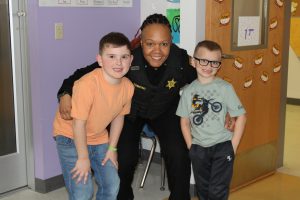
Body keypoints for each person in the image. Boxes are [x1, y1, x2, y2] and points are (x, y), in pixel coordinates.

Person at [57, 13, 196, 200]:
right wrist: (65, 94)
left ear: (171, 42)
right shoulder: (126, 58)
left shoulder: (180, 60)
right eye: (150, 43)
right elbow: (81, 75)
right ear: (140, 43)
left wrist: (223, 111)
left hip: (165, 111)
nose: (157, 50)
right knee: (123, 156)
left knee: (179, 153)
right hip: (130, 113)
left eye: (164, 44)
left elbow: (204, 83)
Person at [53, 32, 134, 200]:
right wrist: (83, 158)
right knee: (83, 190)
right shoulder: (86, 84)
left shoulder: (128, 87)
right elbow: (78, 125)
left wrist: (112, 149)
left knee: (112, 184)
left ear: (131, 60)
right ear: (100, 60)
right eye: (111, 56)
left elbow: (119, 117)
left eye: (124, 57)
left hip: (98, 137)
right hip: (70, 137)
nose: (118, 62)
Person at [176, 40, 247, 200]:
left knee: (217, 190)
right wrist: (191, 146)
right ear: (193, 62)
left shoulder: (225, 88)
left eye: (214, 63)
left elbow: (241, 116)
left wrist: (233, 145)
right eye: (204, 61)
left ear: (219, 65)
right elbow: (184, 122)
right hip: (199, 149)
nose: (208, 66)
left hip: (222, 147)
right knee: (203, 189)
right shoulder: (188, 92)